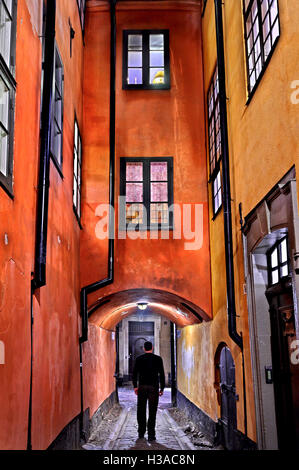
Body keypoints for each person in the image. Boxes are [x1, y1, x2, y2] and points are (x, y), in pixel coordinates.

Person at [132, 341, 165, 441]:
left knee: (141, 410)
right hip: (153, 388)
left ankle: (141, 432)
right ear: (152, 348)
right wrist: (162, 388)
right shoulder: (158, 359)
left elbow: (134, 374)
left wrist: (135, 386)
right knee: (152, 411)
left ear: (144, 348)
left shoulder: (139, 359)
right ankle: (151, 434)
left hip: (142, 387)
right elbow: (162, 374)